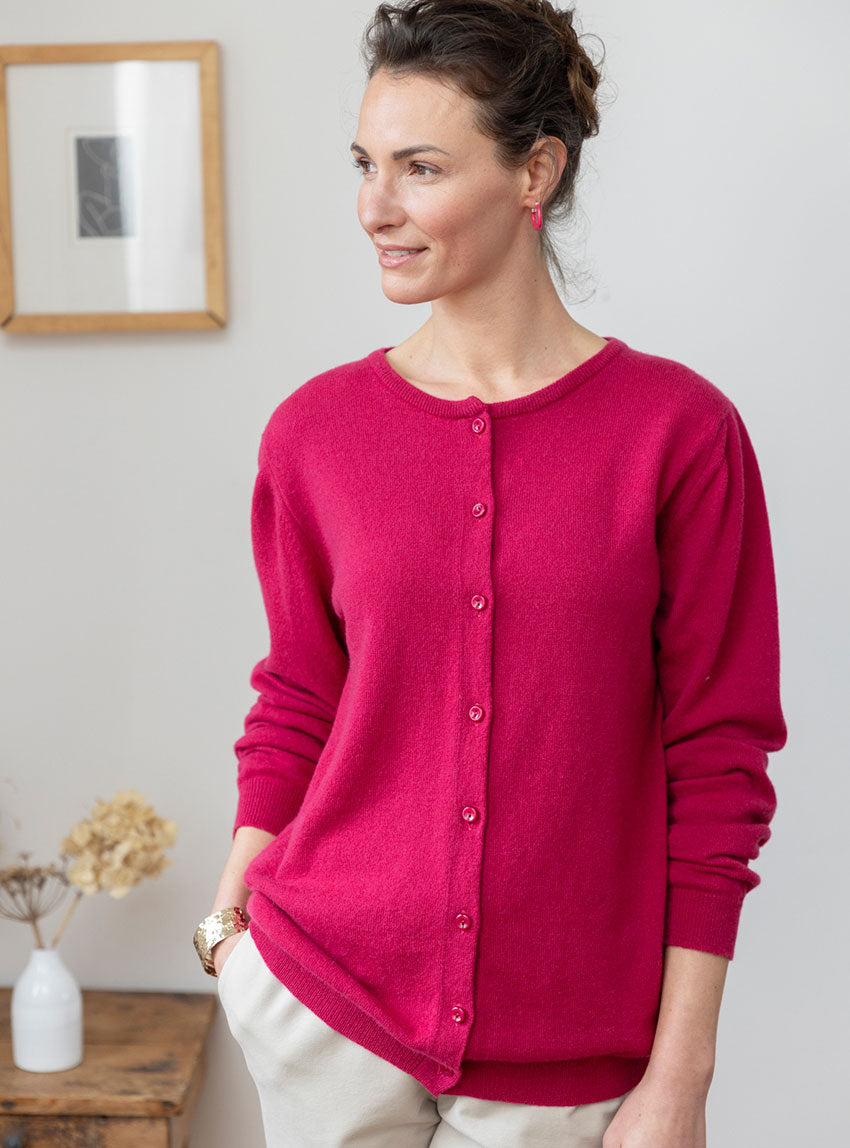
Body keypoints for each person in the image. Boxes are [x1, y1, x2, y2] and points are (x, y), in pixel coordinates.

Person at [193, 2, 788, 1146]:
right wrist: (229, 932)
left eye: (419, 168)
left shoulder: (677, 435)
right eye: (364, 164)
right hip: (323, 1005)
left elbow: (717, 758)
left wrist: (681, 1072)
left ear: (535, 172)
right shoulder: (314, 435)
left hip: (568, 1046)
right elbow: (301, 696)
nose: (374, 207)